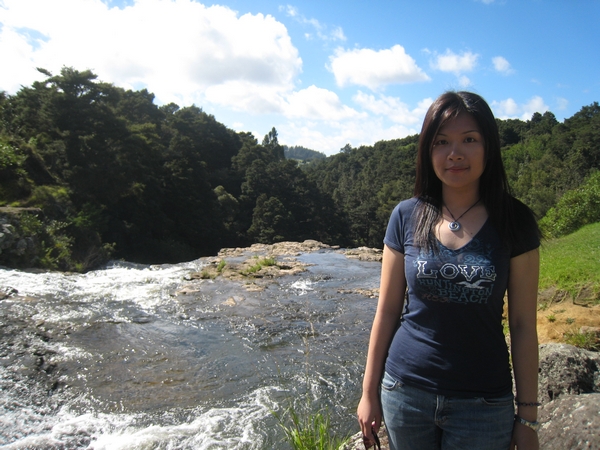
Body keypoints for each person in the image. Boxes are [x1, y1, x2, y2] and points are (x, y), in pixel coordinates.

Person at [357, 91, 541, 450]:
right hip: (405, 391)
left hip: (484, 403)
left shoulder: (515, 221)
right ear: (428, 151)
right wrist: (369, 392)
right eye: (441, 142)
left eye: (469, 140)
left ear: (489, 147)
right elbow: (388, 310)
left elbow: (522, 325)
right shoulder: (406, 215)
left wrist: (528, 417)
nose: (454, 153)